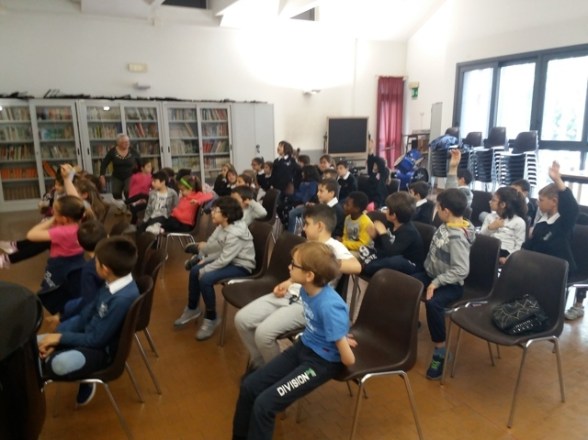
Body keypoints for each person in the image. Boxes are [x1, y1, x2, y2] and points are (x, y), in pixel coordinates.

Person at [232, 241, 356, 440]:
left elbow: (349, 360)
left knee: (265, 405)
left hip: (320, 363)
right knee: (249, 386)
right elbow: (323, 325)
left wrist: (338, 339)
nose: (289, 267)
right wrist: (336, 334)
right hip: (303, 347)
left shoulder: (330, 306)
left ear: (309, 275)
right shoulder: (306, 289)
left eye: (294, 264)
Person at [234, 204, 361, 370]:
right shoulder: (308, 244)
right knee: (242, 320)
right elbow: (300, 273)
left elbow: (357, 267)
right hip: (289, 294)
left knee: (263, 334)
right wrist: (288, 283)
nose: (303, 228)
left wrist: (323, 262)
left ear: (320, 226)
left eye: (307, 224)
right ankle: (261, 365)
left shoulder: (334, 247)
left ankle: (275, 372)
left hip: (307, 305)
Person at [38, 236, 139, 406]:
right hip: (89, 336)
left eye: (95, 262)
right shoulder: (114, 280)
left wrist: (60, 340)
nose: (93, 263)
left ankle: (50, 366)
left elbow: (96, 340)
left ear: (105, 269)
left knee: (57, 364)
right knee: (33, 345)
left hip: (101, 351)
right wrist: (59, 339)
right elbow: (87, 313)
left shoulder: (121, 300)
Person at [412, 187, 474, 380]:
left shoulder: (457, 237)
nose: (436, 210)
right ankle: (410, 326)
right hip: (431, 274)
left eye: (438, 207)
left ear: (445, 211)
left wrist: (437, 283)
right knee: (406, 286)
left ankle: (440, 351)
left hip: (451, 284)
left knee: (433, 304)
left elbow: (461, 270)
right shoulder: (449, 223)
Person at [175, 196, 256, 341]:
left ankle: (211, 317)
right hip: (228, 259)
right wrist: (203, 257)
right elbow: (213, 246)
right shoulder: (222, 226)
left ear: (226, 215)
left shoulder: (235, 234)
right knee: (195, 271)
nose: (212, 213)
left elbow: (224, 259)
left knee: (205, 278)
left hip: (241, 265)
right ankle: (192, 308)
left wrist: (206, 268)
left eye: (215, 211)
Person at [518, 162, 579, 319]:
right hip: (541, 265)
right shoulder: (543, 220)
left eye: (541, 200)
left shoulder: (564, 222)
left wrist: (557, 180)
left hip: (558, 269)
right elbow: (532, 243)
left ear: (554, 201)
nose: (537, 203)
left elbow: (572, 208)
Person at [45, 220, 108, 326]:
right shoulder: (112, 254)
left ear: (79, 243)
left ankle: (61, 319)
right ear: (107, 236)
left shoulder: (88, 269)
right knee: (70, 304)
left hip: (97, 308)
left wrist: (64, 317)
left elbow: (88, 302)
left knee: (61, 329)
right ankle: (60, 316)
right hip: (104, 299)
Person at [361, 191, 424, 277]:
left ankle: (366, 267)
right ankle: (370, 262)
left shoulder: (409, 232)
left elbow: (392, 252)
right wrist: (375, 236)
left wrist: (383, 233)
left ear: (393, 215)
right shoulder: (391, 223)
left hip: (409, 263)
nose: (385, 211)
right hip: (390, 254)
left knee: (396, 261)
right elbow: (384, 245)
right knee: (371, 249)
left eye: (387, 209)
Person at [480, 186, 527, 264]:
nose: (490, 202)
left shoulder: (519, 222)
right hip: (489, 248)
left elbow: (519, 245)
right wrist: (490, 228)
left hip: (506, 252)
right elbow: (481, 237)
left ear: (502, 204)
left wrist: (508, 258)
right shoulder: (490, 217)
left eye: (493, 200)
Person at [99, 133, 141, 200]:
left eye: (128, 141)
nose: (127, 144)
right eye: (124, 142)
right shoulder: (112, 152)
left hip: (129, 175)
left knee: (128, 192)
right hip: (117, 176)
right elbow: (104, 163)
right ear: (118, 143)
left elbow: (141, 163)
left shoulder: (133, 151)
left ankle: (129, 205)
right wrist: (102, 176)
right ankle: (120, 206)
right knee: (116, 194)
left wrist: (140, 175)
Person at [286, 165, 321, 233]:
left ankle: (291, 232)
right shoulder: (303, 182)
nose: (302, 173)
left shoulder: (313, 183)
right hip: (299, 201)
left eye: (303, 172)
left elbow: (308, 196)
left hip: (308, 204)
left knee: (292, 213)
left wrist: (302, 201)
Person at [125, 159, 153, 224]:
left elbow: (152, 187)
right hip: (135, 198)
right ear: (142, 168)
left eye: (151, 166)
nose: (150, 168)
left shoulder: (150, 176)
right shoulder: (135, 176)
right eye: (148, 166)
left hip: (144, 198)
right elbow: (130, 188)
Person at [366, 141, 390, 209]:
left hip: (379, 199)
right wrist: (370, 151)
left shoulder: (384, 172)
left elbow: (379, 163)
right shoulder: (373, 174)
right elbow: (370, 163)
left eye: (376, 164)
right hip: (370, 197)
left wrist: (372, 152)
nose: (374, 166)